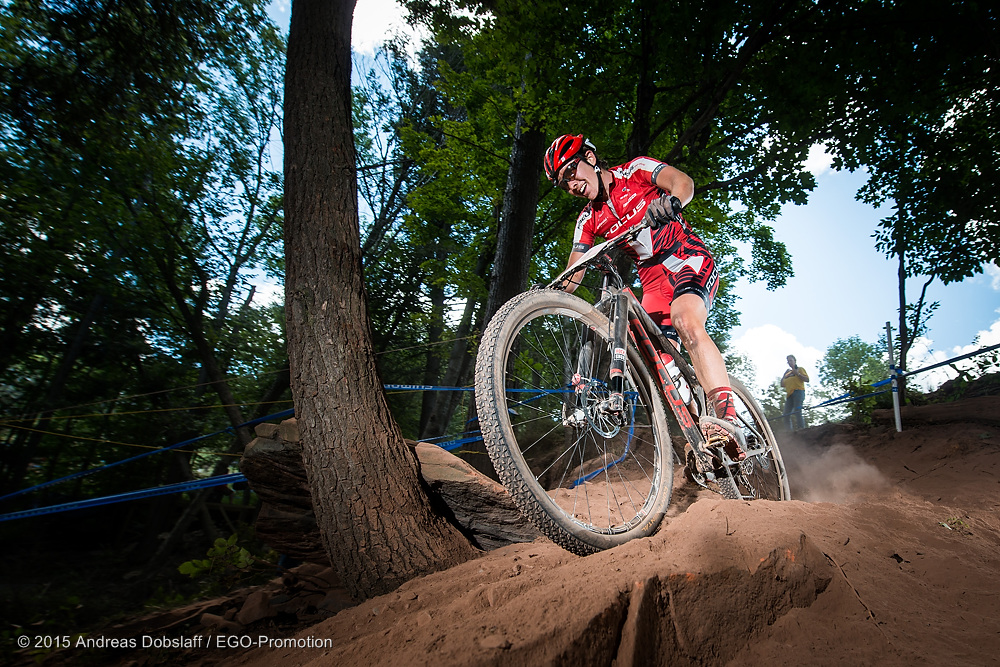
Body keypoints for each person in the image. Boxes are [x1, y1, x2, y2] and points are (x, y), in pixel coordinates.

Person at [543, 133, 745, 460]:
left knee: (685, 321)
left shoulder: (635, 171)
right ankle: (704, 439)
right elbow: (574, 271)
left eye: (570, 172)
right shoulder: (588, 218)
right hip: (653, 284)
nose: (570, 184)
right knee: (659, 367)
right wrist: (547, 293)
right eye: (562, 183)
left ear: (590, 159)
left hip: (687, 258)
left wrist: (673, 202)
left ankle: (726, 417)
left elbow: (683, 182)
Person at [780, 355, 809, 430]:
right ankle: (789, 432)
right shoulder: (788, 374)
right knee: (786, 414)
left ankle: (801, 428)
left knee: (797, 410)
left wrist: (797, 374)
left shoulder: (800, 369)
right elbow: (782, 384)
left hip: (798, 391)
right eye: (788, 361)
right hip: (789, 395)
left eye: (791, 360)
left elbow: (807, 379)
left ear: (795, 361)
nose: (789, 362)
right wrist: (783, 376)